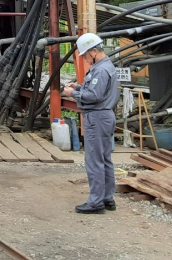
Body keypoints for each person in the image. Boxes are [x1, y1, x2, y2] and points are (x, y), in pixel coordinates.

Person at [63, 33, 119, 215]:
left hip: (97, 117)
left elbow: (94, 96)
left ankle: (96, 202)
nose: (85, 59)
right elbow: (97, 90)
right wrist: (79, 87)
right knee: (105, 158)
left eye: (85, 55)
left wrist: (73, 94)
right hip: (104, 116)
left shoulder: (101, 70)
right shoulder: (105, 67)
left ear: (94, 51)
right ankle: (107, 197)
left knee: (94, 160)